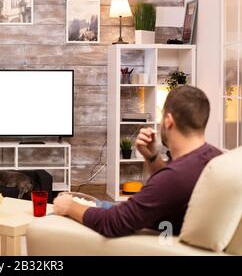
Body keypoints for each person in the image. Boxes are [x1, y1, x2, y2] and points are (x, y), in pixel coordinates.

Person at [53, 86, 222, 237]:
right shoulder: (214, 157)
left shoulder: (175, 177)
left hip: (147, 232)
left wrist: (70, 207)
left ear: (169, 121)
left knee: (64, 207)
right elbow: (168, 187)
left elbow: (112, 223)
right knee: (96, 203)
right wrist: (152, 156)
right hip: (154, 219)